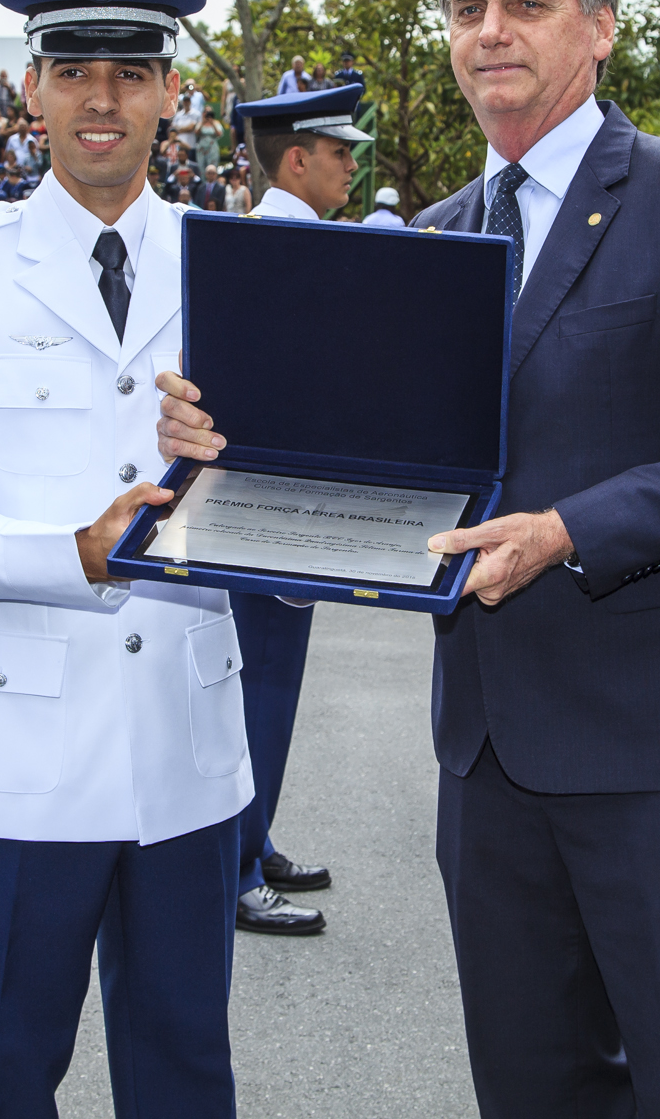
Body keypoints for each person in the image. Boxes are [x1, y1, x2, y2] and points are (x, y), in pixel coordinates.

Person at [160, 0, 660, 1117]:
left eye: (525, 3)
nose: (489, 31)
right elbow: (375, 468)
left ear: (600, 28)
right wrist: (215, 456)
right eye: (468, 9)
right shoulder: (433, 239)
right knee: (531, 1088)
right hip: (484, 752)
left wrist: (570, 528)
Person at [0, 0, 251, 1117]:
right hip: (25, 761)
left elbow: (281, 492)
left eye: (132, 70)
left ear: (169, 92)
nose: (103, 98)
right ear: (30, 88)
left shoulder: (230, 263)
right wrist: (76, 553)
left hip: (182, 746)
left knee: (184, 1072)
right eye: (75, 69)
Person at [215, 82, 379, 936]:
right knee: (262, 686)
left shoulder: (278, 235)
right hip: (276, 506)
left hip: (268, 502)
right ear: (297, 159)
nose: (353, 165)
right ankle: (238, 869)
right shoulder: (296, 244)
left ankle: (254, 835)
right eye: (341, 152)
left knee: (267, 681)